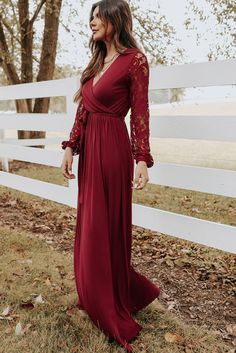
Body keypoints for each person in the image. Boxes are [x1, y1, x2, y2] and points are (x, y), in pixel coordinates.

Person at [60, 0, 161, 351]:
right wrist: (71, 146)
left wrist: (141, 158)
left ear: (115, 19)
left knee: (107, 226)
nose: (91, 22)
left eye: (96, 15)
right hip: (90, 155)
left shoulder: (135, 61)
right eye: (90, 16)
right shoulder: (96, 62)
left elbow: (141, 113)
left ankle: (112, 301)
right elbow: (84, 108)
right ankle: (93, 294)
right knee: (90, 225)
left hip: (114, 152)